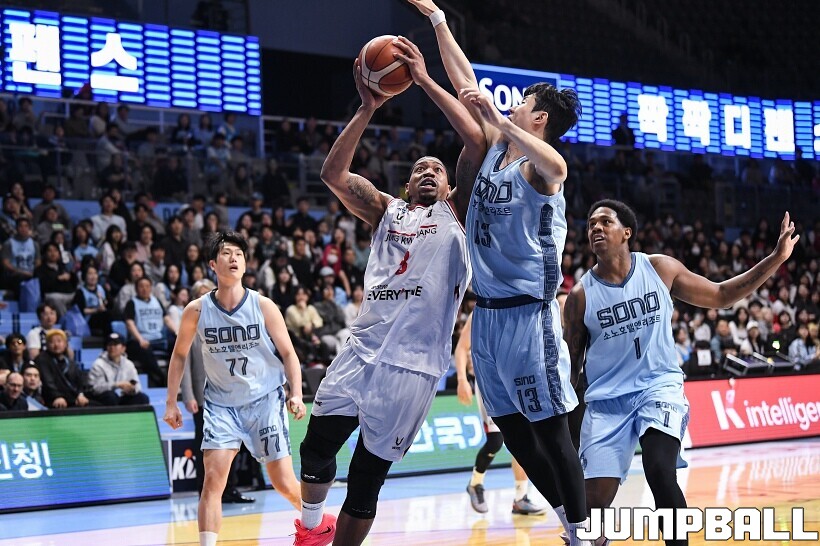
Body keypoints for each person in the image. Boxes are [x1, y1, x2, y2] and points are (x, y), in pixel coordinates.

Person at [408, 1, 588, 543]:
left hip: (530, 318)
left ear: (540, 119)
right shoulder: (497, 148)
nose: (514, 104)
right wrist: (438, 19)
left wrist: (500, 121)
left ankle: (585, 531)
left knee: (552, 433)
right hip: (486, 317)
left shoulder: (541, 166)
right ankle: (569, 522)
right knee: (511, 431)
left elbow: (558, 166)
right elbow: (465, 79)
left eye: (524, 102)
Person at [292, 41, 480, 545]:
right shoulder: (385, 211)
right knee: (314, 449)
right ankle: (310, 529)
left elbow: (476, 142)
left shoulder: (457, 214)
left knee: (365, 480)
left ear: (448, 186)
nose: (428, 171)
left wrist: (424, 79)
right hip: (360, 350)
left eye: (436, 169)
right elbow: (333, 175)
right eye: (419, 168)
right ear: (406, 185)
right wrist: (367, 107)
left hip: (412, 366)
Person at [563, 201, 799, 546]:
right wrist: (565, 428)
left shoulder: (659, 269)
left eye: (605, 222)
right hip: (606, 402)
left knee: (660, 470)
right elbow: (571, 368)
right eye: (590, 224)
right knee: (593, 506)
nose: (596, 228)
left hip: (657, 388)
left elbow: (721, 295)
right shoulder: (581, 296)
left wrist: (776, 259)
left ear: (627, 232)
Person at [162, 232, 306, 546]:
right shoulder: (196, 310)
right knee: (212, 481)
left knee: (283, 484)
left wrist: (296, 392)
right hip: (221, 404)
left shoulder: (263, 305)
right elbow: (179, 355)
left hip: (264, 400)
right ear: (212, 264)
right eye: (227, 253)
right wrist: (171, 402)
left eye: (239, 254)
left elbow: (289, 353)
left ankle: (318, 523)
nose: (234, 259)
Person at [455, 313, 546, 515]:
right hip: (489, 382)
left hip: (515, 380)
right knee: (495, 440)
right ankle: (475, 483)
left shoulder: (519, 308)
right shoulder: (481, 312)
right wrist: (462, 379)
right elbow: (461, 347)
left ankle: (520, 498)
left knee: (523, 440)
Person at [87, 333, 150, 406]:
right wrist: (116, 385)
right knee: (111, 396)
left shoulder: (129, 364)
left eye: (115, 344)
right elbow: (95, 389)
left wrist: (132, 389)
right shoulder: (98, 364)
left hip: (123, 396)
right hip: (105, 398)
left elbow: (137, 385)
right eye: (110, 345)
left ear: (123, 348)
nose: (112, 347)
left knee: (142, 398)